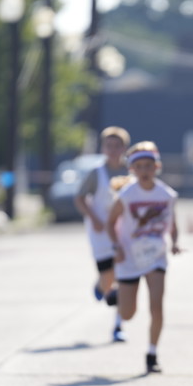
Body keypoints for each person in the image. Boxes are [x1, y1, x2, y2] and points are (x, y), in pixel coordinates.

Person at [106, 141, 179, 373]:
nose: (145, 170)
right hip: (129, 257)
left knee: (156, 307)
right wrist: (117, 247)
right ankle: (118, 293)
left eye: (149, 165)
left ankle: (152, 353)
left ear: (157, 167)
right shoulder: (126, 195)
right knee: (128, 314)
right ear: (132, 170)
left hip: (156, 256)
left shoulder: (166, 194)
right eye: (140, 166)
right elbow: (110, 222)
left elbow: (172, 224)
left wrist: (175, 242)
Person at [75, 125, 130, 342]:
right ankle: (101, 285)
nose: (113, 150)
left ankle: (118, 326)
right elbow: (80, 198)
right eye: (109, 145)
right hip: (100, 232)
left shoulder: (131, 171)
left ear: (124, 148)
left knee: (123, 276)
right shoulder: (96, 173)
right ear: (103, 148)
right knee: (108, 277)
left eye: (117, 145)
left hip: (124, 232)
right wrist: (94, 218)